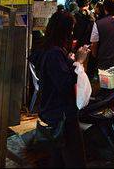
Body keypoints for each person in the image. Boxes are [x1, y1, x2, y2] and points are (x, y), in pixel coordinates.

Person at [28, 12, 89, 168]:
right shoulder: (54, 53)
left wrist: (70, 60)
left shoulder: (49, 49)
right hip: (62, 115)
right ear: (64, 31)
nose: (72, 33)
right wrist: (79, 62)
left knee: (58, 158)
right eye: (71, 29)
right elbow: (65, 84)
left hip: (53, 112)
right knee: (75, 159)